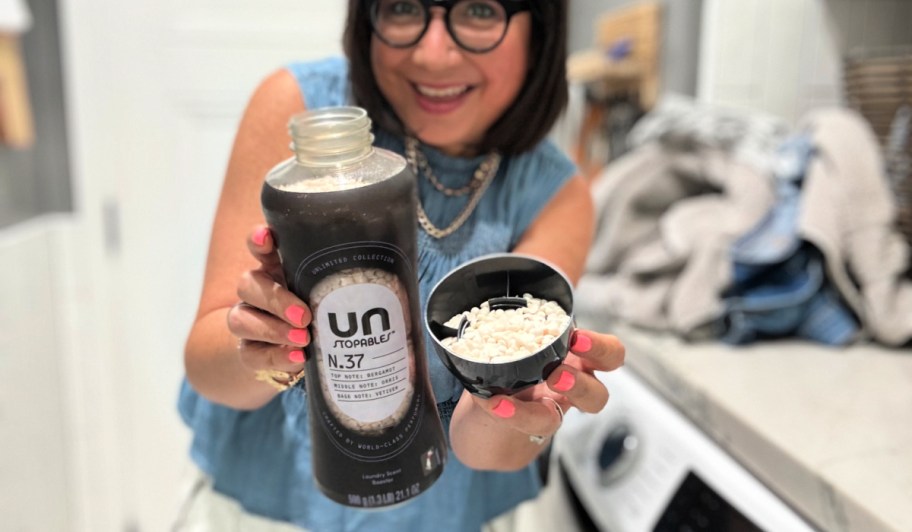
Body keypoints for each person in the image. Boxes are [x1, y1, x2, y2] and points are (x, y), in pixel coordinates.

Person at [178, 0, 626, 530]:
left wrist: (514, 405)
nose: (433, 54)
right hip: (261, 512)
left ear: (541, 30)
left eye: (480, 11)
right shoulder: (302, 113)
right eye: (403, 8)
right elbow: (209, 368)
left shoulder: (555, 196)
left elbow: (489, 449)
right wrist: (264, 347)